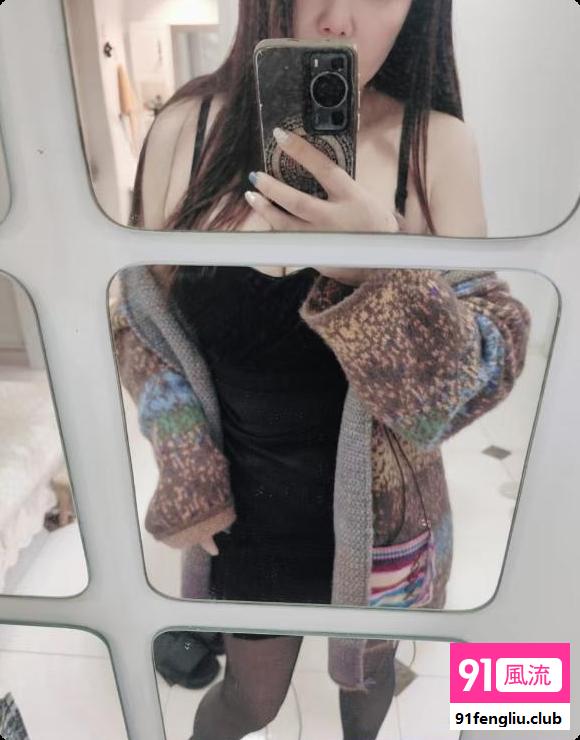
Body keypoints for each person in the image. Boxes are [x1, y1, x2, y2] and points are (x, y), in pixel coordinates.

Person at [111, 1, 531, 738]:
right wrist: (184, 460)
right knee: (249, 700)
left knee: (367, 691)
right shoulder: (187, 129)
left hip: (389, 526)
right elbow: (139, 322)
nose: (339, 20)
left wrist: (377, 273)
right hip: (245, 515)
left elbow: (474, 378)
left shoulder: (434, 145)